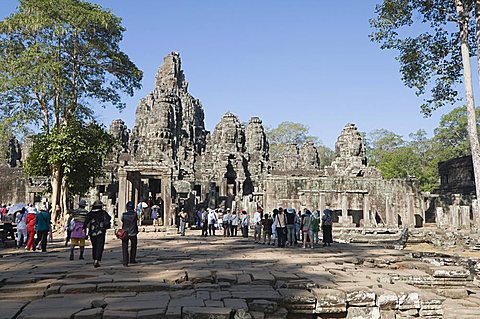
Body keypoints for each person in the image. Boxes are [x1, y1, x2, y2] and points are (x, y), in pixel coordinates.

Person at [84, 200, 111, 268]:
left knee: (94, 246)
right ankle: (97, 260)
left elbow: (85, 222)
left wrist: (83, 228)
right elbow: (109, 218)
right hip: (101, 232)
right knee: (100, 246)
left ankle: (94, 259)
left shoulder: (90, 214)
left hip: (92, 232)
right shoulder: (103, 213)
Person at [121, 201, 138, 267]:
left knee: (125, 247)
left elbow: (123, 221)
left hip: (125, 233)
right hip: (133, 232)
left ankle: (125, 261)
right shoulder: (135, 214)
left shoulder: (124, 215)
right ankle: (132, 259)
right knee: (133, 246)